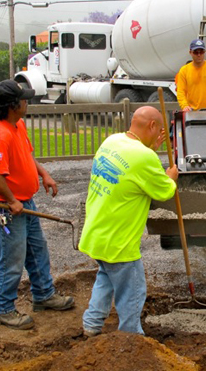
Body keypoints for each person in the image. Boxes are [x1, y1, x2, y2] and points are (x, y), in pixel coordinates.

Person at [0, 80, 74, 331]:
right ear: (13, 105)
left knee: (37, 250)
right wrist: (11, 201)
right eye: (24, 99)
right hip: (6, 208)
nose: (27, 102)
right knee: (11, 260)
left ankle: (43, 294)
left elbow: (27, 154)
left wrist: (43, 174)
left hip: (24, 202)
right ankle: (3, 310)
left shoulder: (17, 125)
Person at [79, 106, 178, 336]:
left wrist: (151, 150)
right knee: (133, 292)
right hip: (119, 242)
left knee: (105, 279)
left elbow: (133, 169)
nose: (159, 135)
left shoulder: (111, 141)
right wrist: (171, 177)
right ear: (153, 126)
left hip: (98, 234)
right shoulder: (145, 157)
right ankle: (131, 340)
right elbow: (163, 192)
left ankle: (91, 326)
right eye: (160, 130)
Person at [176, 39, 206, 111]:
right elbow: (181, 91)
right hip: (191, 112)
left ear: (204, 52)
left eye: (201, 52)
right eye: (196, 52)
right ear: (190, 52)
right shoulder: (184, 71)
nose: (199, 55)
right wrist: (184, 106)